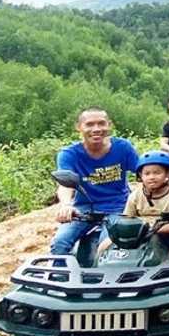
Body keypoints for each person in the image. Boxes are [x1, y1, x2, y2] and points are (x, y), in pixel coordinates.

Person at [51, 107, 140, 255]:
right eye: (90, 124)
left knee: (108, 247)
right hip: (83, 209)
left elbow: (142, 174)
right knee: (60, 242)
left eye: (101, 123)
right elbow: (65, 183)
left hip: (118, 206)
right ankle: (61, 276)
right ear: (79, 127)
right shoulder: (69, 154)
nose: (96, 129)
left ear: (109, 125)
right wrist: (66, 205)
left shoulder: (123, 148)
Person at [98, 151, 169, 254]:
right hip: (138, 232)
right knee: (103, 246)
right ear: (140, 175)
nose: (151, 177)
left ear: (168, 174)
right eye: (147, 173)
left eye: (157, 173)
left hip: (168, 232)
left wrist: (154, 230)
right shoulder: (136, 195)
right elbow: (127, 217)